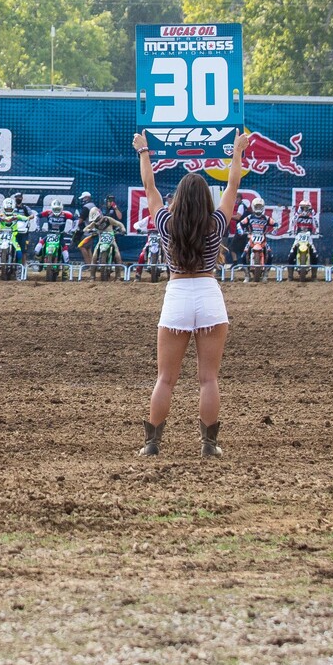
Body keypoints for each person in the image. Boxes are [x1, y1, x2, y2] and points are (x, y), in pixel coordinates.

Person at [133, 127, 247, 459]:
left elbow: (150, 187)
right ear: (205, 200)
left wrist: (144, 151)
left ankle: (152, 443)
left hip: (177, 294)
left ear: (180, 198)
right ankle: (209, 445)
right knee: (208, 379)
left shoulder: (167, 224)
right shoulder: (217, 223)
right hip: (209, 295)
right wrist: (237, 151)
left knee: (165, 378)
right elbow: (234, 184)